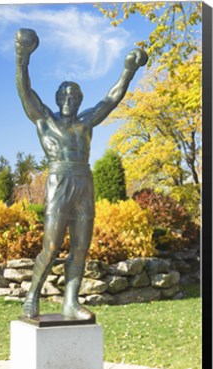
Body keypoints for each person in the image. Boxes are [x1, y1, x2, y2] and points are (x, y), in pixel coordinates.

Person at [15, 28, 148, 319]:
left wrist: (129, 69)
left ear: (79, 99)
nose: (68, 98)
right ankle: (32, 295)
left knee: (80, 246)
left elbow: (111, 98)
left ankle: (70, 303)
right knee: (50, 248)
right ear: (57, 96)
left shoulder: (87, 121)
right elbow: (25, 91)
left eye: (74, 94)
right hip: (59, 180)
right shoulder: (44, 119)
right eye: (64, 93)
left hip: (84, 182)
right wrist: (22, 59)